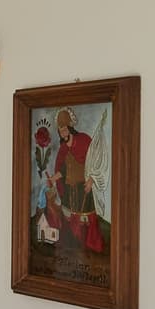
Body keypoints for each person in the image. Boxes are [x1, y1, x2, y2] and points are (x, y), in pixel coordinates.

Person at [45, 108, 106, 252]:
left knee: (85, 221)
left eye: (65, 129)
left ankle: (89, 249)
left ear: (70, 128)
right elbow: (63, 171)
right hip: (68, 191)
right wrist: (53, 179)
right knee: (69, 220)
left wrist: (91, 180)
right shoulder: (63, 149)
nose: (63, 133)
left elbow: (96, 162)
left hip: (83, 188)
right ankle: (74, 248)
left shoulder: (84, 141)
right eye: (61, 131)